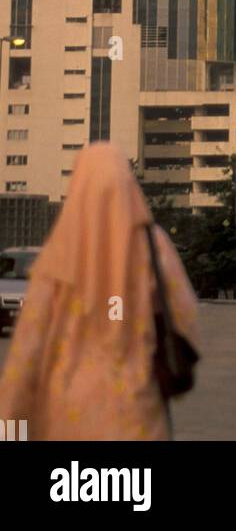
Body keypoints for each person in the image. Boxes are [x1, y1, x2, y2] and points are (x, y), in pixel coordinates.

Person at [0, 142, 200, 441]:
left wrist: (9, 429)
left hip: (67, 416)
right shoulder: (152, 246)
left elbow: (27, 355)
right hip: (136, 412)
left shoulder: (59, 254)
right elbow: (185, 317)